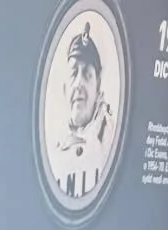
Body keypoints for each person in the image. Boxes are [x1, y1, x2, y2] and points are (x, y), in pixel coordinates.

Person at [54, 21, 116, 201]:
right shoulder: (55, 146)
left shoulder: (112, 139)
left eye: (87, 74)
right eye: (74, 73)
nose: (79, 83)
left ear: (98, 85)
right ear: (65, 88)